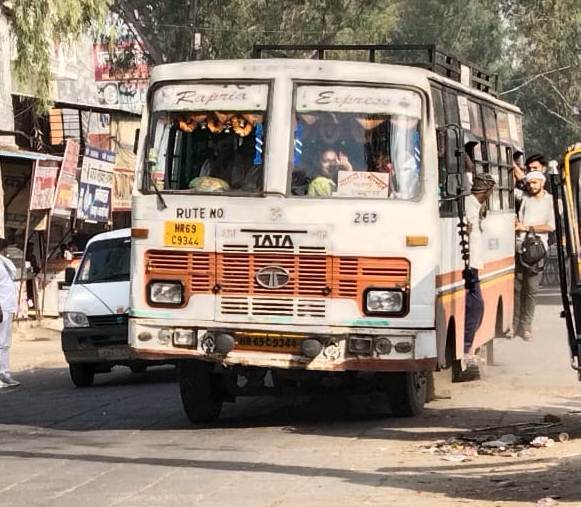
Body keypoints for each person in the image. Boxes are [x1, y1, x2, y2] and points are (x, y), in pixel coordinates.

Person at [512, 170, 555, 341]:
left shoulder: (550, 201)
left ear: (542, 183)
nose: (531, 186)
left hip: (537, 249)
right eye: (529, 183)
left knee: (531, 290)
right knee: (516, 288)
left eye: (535, 183)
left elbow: (550, 226)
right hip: (520, 247)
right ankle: (514, 326)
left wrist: (527, 228)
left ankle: (526, 326)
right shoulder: (523, 197)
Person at [463, 173, 497, 360]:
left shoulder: (477, 206)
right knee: (476, 306)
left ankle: (467, 346)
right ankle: (466, 347)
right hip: (468, 264)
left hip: (473, 263)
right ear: (487, 191)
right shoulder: (469, 204)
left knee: (476, 306)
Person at [0, 239, 19, 388]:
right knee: (1, 343)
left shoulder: (4, 262)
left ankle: (5, 373)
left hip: (8, 306)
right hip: (2, 308)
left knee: (5, 343)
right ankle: (2, 374)